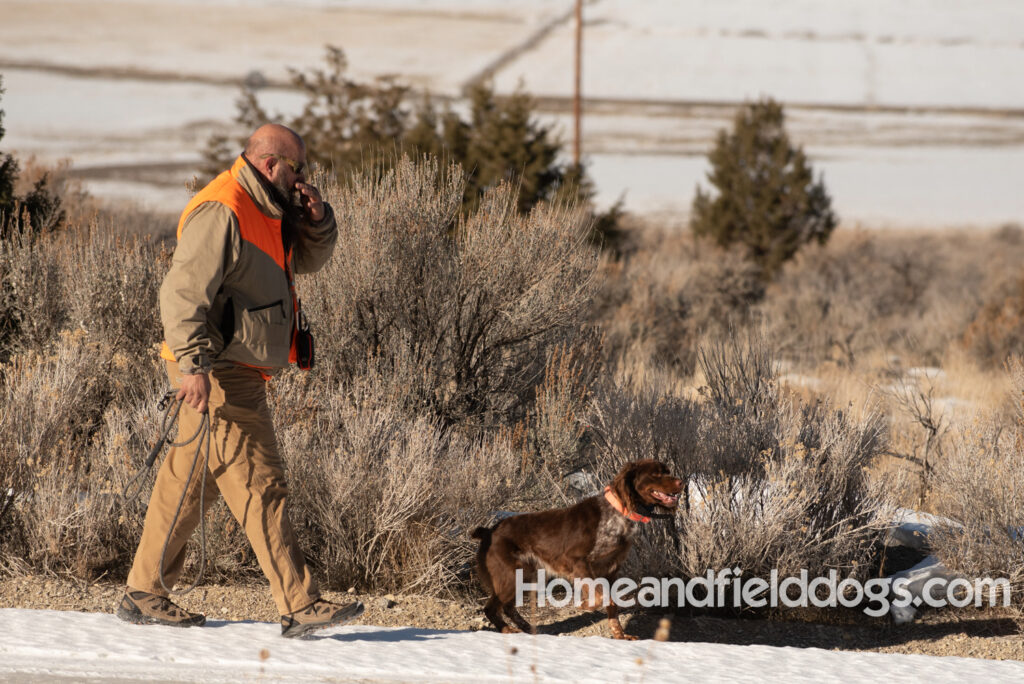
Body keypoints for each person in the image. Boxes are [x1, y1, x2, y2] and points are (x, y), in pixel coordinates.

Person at [116, 124, 363, 638]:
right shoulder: (224, 208)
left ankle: (144, 591)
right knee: (261, 482)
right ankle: (299, 604)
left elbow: (310, 263)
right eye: (296, 168)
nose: (301, 179)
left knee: (189, 483)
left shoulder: (269, 208)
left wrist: (317, 220)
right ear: (272, 164)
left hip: (234, 366)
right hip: (220, 369)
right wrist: (193, 367)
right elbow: (181, 294)